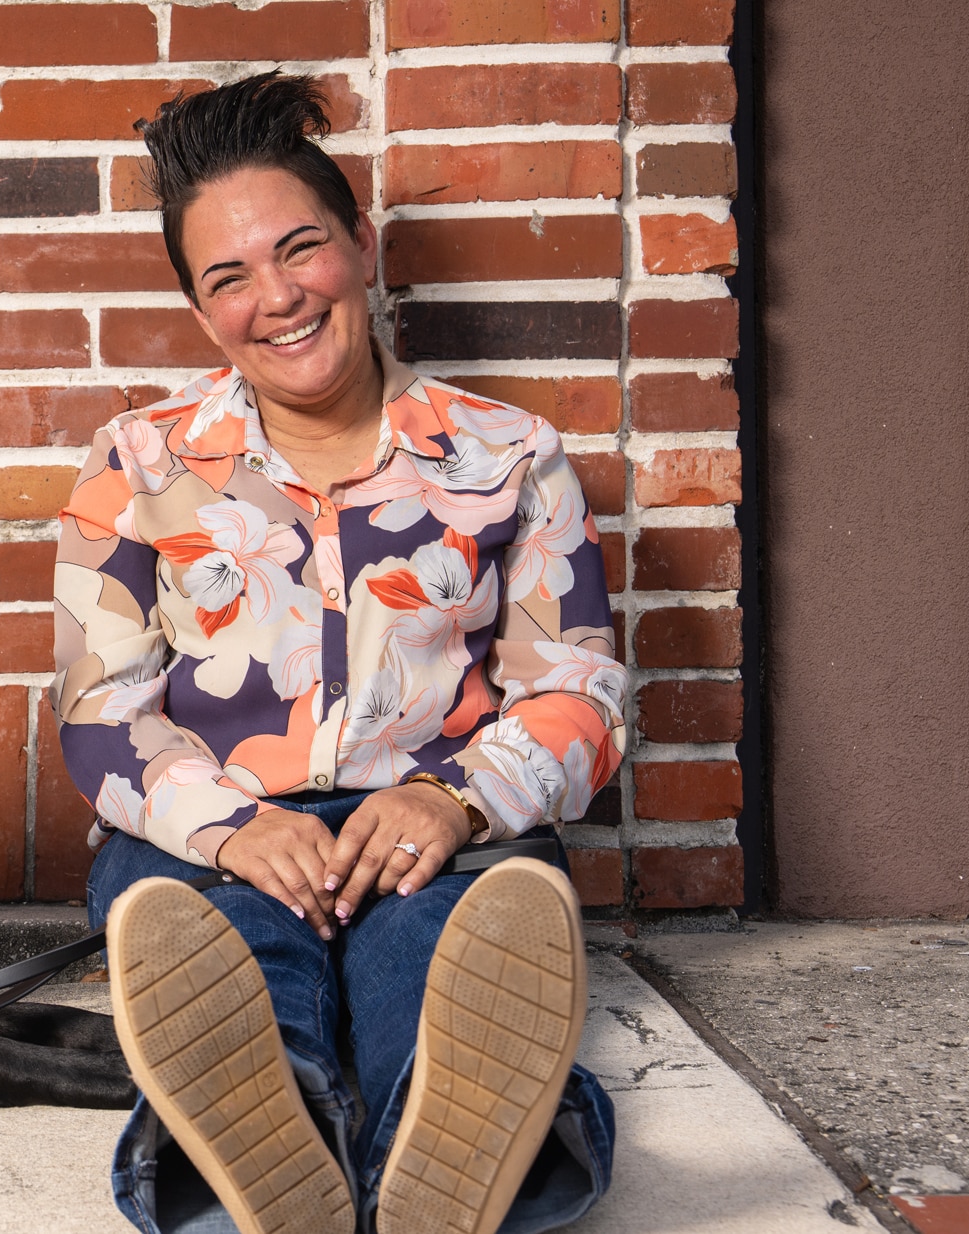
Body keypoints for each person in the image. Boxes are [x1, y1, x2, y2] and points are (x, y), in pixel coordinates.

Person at [51, 73, 621, 1234]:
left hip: (440, 842)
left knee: (441, 970)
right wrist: (232, 823)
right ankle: (275, 1153)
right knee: (235, 973)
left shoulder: (508, 455)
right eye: (229, 278)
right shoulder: (138, 466)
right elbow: (99, 712)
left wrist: (453, 802)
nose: (278, 297)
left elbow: (579, 690)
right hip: (214, 846)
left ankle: (447, 1152)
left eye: (299, 249)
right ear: (200, 310)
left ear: (358, 245)